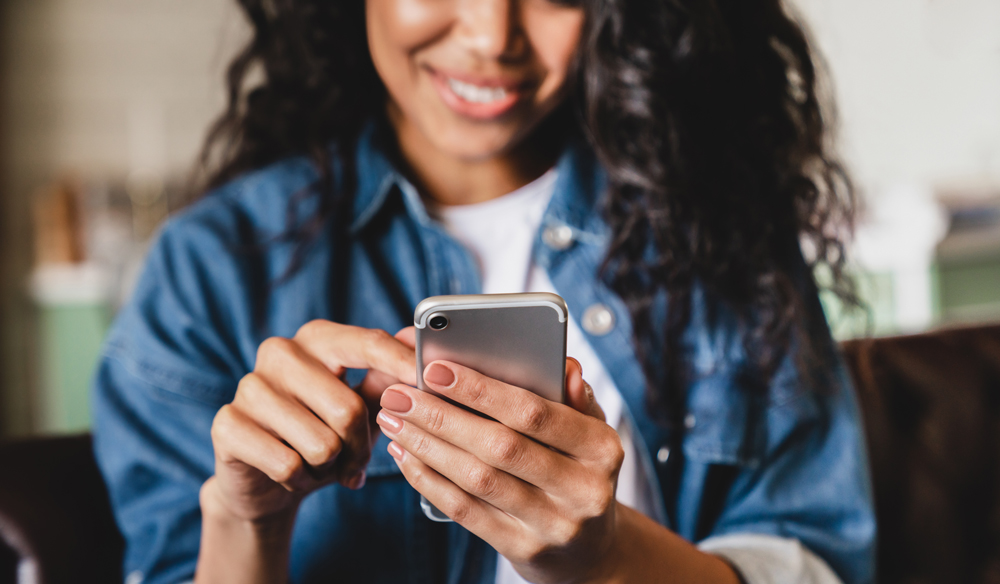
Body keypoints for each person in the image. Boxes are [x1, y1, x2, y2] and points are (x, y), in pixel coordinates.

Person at [92, 0, 876, 582]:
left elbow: (814, 558)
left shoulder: (718, 227)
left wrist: (602, 559)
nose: (491, 35)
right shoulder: (213, 269)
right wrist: (242, 519)